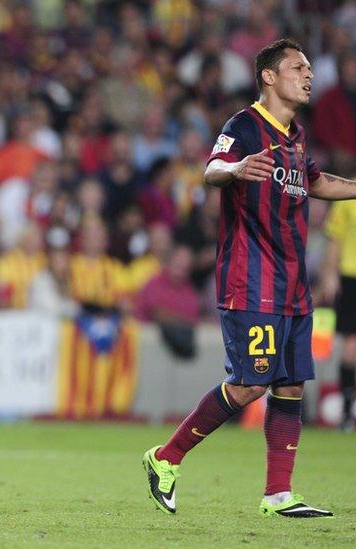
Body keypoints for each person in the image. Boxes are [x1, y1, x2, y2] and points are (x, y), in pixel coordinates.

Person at [142, 39, 356, 519]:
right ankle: (164, 457)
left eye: (308, 68)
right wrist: (236, 168)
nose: (308, 75)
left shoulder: (296, 135)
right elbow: (212, 170)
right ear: (268, 76)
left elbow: (317, 181)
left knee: (291, 384)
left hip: (293, 285)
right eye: (297, 67)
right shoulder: (244, 125)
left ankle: (279, 494)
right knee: (248, 386)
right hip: (251, 280)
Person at [321, 199, 356, 431]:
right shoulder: (347, 195)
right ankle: (346, 413)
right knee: (350, 345)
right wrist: (330, 274)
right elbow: (335, 239)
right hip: (351, 275)